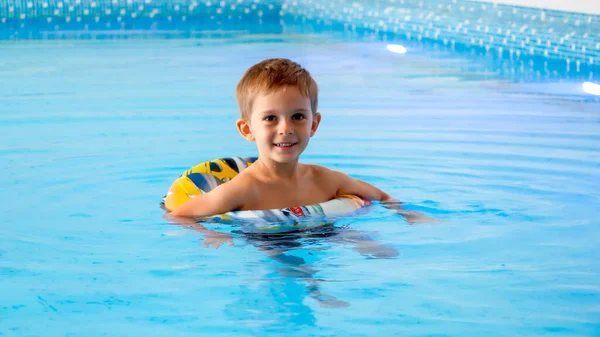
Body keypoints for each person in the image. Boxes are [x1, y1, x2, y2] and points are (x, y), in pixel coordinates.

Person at [168, 58, 434, 224]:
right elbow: (179, 214)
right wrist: (212, 234)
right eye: (270, 118)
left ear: (314, 124)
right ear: (247, 129)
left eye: (297, 116)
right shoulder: (244, 189)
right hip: (266, 242)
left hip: (320, 234)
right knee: (292, 267)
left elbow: (376, 194)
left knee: (378, 251)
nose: (286, 129)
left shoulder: (323, 179)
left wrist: (405, 213)